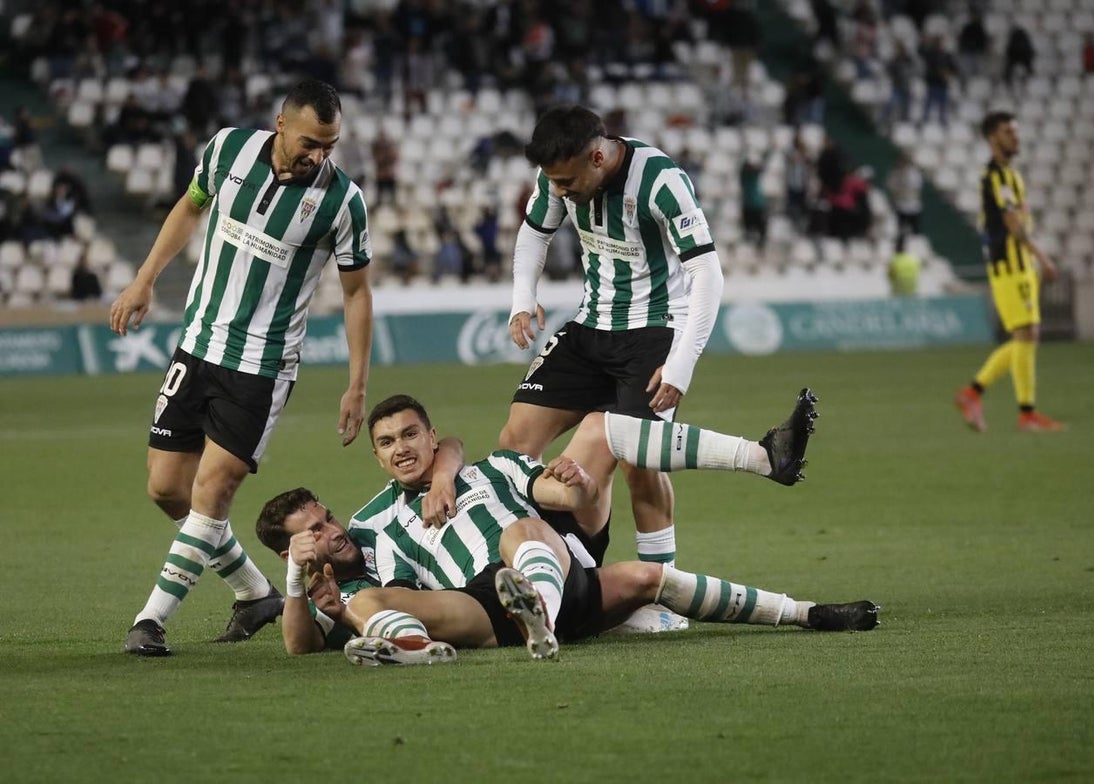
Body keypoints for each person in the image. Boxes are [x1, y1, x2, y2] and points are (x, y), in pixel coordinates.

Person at [254, 392, 877, 664]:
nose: (400, 449)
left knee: (529, 534)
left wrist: (570, 480)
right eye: (387, 443)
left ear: (431, 435)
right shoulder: (370, 523)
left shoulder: (492, 469)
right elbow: (345, 603)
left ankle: (806, 612)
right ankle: (417, 654)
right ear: (377, 457)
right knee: (643, 576)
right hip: (478, 607)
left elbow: (551, 491)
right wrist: (332, 598)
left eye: (410, 435)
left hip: (547, 567)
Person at [109, 79, 374, 656]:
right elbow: (189, 206)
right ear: (280, 124)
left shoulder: (342, 201)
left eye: (329, 145)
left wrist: (357, 383)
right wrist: (145, 278)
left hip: (261, 365)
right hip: (197, 344)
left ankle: (150, 621)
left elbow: (357, 294)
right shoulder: (227, 148)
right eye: (309, 142)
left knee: (213, 489)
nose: (318, 155)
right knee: (167, 490)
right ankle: (255, 593)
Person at [500, 105, 725, 633]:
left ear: (598, 155)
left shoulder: (661, 180)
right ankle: (558, 575)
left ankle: (664, 595)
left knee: (638, 464)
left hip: (652, 337)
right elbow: (534, 232)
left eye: (568, 181)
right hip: (588, 328)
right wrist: (521, 299)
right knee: (515, 440)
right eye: (552, 182)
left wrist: (680, 365)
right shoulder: (558, 175)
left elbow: (707, 274)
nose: (560, 192)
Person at [954, 111, 1062, 433]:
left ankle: (975, 394)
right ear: (992, 138)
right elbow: (1013, 225)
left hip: (1019, 265)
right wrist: (1044, 258)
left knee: (1027, 335)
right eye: (1007, 132)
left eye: (1015, 130)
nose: (1015, 136)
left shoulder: (1010, 175)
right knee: (1025, 335)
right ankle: (1023, 412)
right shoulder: (995, 177)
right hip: (1009, 265)